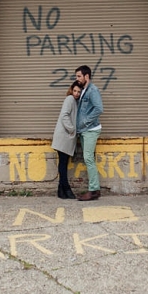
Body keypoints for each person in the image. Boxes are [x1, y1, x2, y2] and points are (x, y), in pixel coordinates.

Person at [75, 65, 103, 201]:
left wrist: (85, 121)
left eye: (79, 76)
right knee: (88, 159)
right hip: (85, 130)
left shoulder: (93, 90)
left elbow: (99, 108)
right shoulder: (84, 90)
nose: (77, 79)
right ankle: (94, 189)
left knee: (88, 159)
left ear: (87, 76)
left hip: (91, 130)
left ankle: (93, 190)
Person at [51, 81, 81, 199]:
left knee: (63, 163)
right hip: (64, 136)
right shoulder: (70, 99)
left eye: (79, 92)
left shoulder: (74, 101)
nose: (77, 93)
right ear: (71, 90)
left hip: (66, 136)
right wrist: (72, 129)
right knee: (63, 163)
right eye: (75, 91)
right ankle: (67, 188)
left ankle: (61, 190)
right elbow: (64, 116)